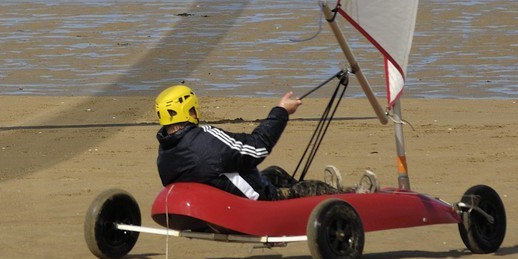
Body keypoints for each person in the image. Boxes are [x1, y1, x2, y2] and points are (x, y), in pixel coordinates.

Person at [154, 83, 371, 200]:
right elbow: (256, 148)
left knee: (275, 172)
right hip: (252, 203)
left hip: (219, 196)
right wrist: (282, 112)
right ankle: (353, 197)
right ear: (189, 110)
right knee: (306, 189)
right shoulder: (204, 139)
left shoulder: (165, 153)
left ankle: (333, 189)